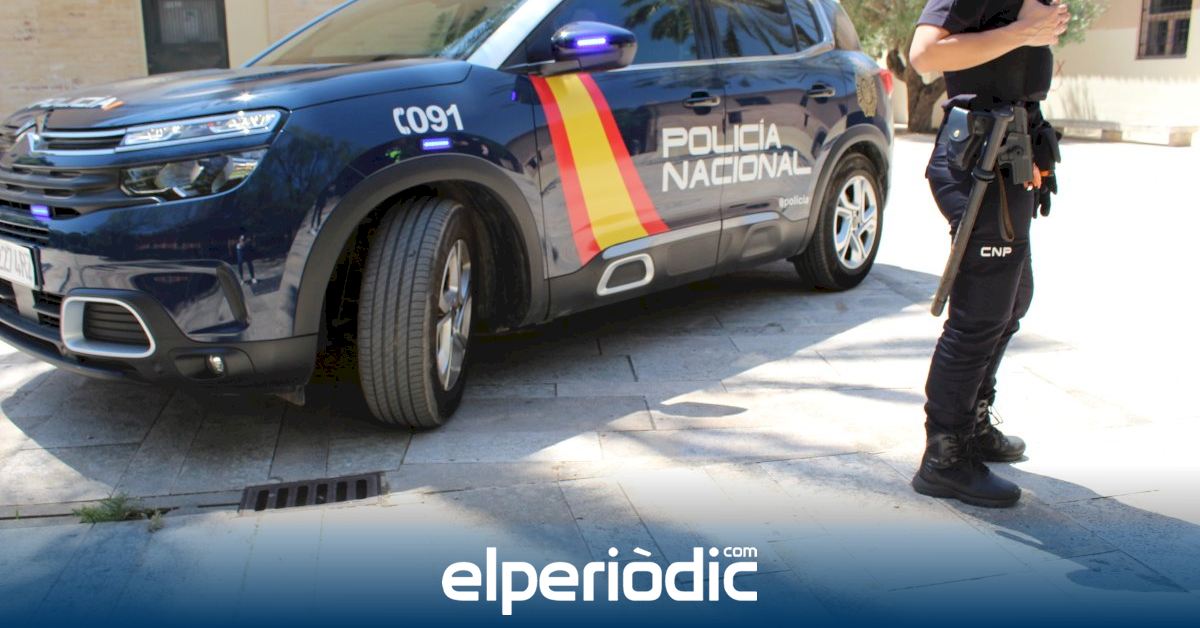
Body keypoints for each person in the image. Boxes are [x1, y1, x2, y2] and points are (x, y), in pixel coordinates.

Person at [908, 0, 1069, 508]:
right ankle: (945, 457)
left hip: (1011, 149)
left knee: (1012, 301)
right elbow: (925, 55)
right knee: (980, 315)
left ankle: (972, 425)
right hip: (979, 154)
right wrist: (1024, 31)